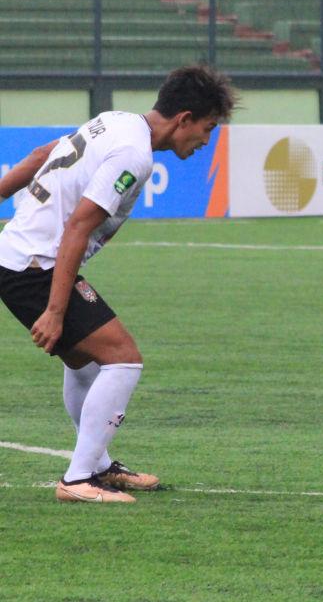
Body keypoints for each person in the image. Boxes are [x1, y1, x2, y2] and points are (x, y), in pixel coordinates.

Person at [0, 65, 236, 502]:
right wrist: (54, 311)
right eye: (206, 129)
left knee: (84, 364)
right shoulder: (134, 154)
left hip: (19, 257)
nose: (205, 142)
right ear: (183, 119)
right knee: (124, 359)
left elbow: (37, 157)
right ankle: (76, 481)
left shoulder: (113, 120)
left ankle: (100, 466)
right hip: (36, 265)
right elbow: (76, 227)